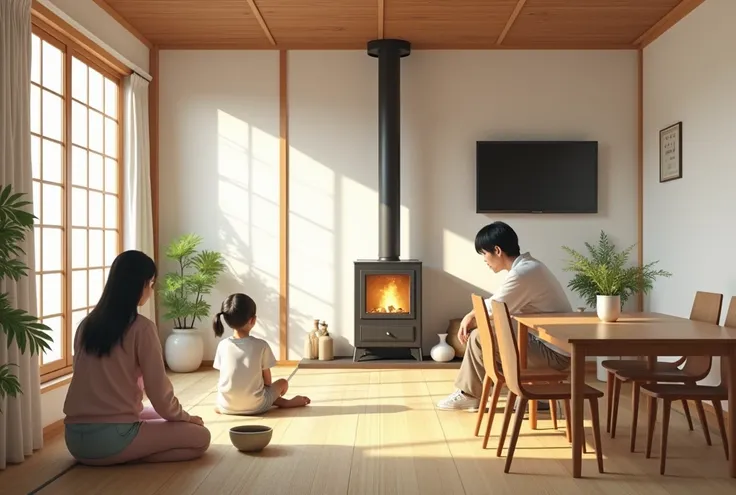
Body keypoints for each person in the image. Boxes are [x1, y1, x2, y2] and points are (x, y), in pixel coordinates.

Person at [63, 250, 211, 465]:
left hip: (74, 440)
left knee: (149, 413)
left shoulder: (86, 325)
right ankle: (128, 455)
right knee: (200, 438)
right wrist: (187, 419)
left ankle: (127, 452)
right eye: (151, 284)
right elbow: (158, 391)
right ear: (139, 285)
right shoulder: (142, 328)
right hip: (114, 438)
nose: (151, 290)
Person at [436, 222, 572, 411]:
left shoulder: (524, 273)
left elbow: (493, 308)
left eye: (484, 253)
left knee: (480, 336)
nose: (484, 259)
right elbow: (496, 302)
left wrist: (470, 318)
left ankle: (469, 395)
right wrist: (470, 315)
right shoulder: (527, 268)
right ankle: (525, 396)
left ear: (497, 250)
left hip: (554, 354)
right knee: (485, 334)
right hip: (547, 345)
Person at [213, 293, 310, 415]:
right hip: (257, 406)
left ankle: (229, 406)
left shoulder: (222, 345)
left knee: (222, 402)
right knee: (282, 383)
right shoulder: (261, 345)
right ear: (253, 320)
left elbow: (224, 376)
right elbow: (268, 382)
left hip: (226, 407)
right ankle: (285, 403)